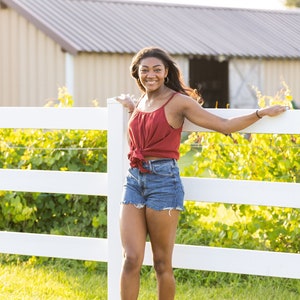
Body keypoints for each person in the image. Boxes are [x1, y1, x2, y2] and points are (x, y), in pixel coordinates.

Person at [116, 46, 288, 300]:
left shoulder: (179, 102)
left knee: (162, 263)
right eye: (144, 70)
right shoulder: (142, 101)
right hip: (134, 180)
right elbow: (144, 131)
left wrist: (260, 113)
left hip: (164, 182)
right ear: (137, 74)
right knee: (131, 259)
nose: (150, 75)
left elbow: (225, 125)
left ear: (166, 73)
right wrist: (131, 108)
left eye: (156, 69)